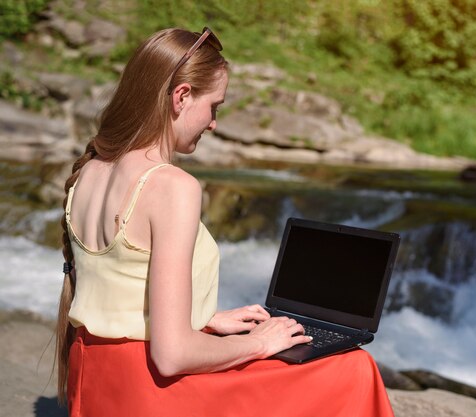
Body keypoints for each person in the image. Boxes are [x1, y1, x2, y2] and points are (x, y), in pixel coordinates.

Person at [56, 26, 394, 417]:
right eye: (214, 106)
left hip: (98, 383)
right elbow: (172, 357)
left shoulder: (90, 170)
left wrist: (207, 319)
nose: (214, 122)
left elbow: (122, 287)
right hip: (150, 396)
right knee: (351, 368)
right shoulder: (171, 185)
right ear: (181, 97)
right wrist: (261, 342)